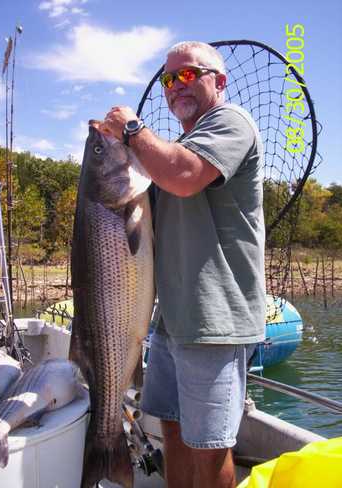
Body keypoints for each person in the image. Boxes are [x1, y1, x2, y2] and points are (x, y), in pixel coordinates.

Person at [102, 41, 266, 488]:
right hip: (172, 322)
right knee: (172, 427)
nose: (176, 87)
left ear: (220, 80)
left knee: (210, 447)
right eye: (168, 80)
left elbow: (186, 176)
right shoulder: (173, 148)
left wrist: (134, 131)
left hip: (214, 320)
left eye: (187, 74)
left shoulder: (231, 123)